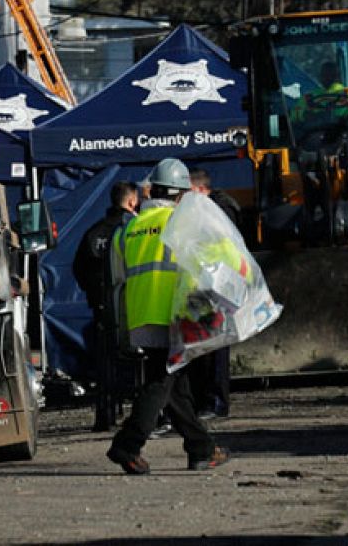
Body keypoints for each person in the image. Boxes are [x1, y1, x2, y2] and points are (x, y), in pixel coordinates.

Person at [106, 158, 229, 474]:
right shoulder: (184, 221)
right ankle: (127, 445)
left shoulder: (129, 228)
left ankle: (201, 448)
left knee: (176, 385)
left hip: (140, 315)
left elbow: (119, 277)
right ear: (180, 194)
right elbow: (216, 261)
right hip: (175, 315)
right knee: (161, 382)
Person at [73, 180, 140, 432]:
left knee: (105, 363)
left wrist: (96, 294)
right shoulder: (137, 229)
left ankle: (106, 415)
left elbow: (79, 269)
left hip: (103, 307)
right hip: (135, 305)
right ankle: (146, 415)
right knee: (141, 362)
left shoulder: (94, 232)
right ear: (132, 202)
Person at [187, 168, 235, 420]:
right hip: (203, 287)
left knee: (216, 349)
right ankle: (206, 401)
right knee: (203, 348)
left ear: (202, 190)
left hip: (216, 289)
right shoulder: (206, 212)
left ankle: (216, 402)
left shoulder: (218, 214)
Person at [290, 60, 348, 135]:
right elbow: (294, 116)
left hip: (345, 138)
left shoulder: (308, 97)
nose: (328, 77)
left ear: (338, 76)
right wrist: (307, 116)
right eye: (326, 75)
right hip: (319, 139)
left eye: (332, 74)